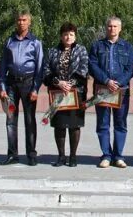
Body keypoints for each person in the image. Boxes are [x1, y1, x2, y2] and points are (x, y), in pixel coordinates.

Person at [88, 16, 133, 168]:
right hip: (103, 89)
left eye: (115, 26)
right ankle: (106, 155)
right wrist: (106, 81)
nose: (112, 29)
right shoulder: (97, 46)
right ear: (106, 28)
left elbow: (130, 69)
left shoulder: (127, 47)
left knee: (120, 124)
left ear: (120, 28)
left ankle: (119, 156)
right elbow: (92, 65)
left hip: (121, 90)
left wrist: (119, 82)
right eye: (109, 26)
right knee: (103, 123)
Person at [0, 10, 44, 166]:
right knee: (10, 119)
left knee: (30, 120)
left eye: (24, 20)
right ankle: (12, 154)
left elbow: (40, 68)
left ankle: (31, 154)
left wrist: (36, 89)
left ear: (29, 22)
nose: (21, 22)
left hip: (28, 83)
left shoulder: (35, 42)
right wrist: (2, 86)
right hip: (11, 85)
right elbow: (3, 65)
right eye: (18, 20)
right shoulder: (9, 41)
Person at [42, 22, 89, 167]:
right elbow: (46, 71)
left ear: (75, 36)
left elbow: (84, 69)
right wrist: (58, 82)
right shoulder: (52, 51)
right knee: (59, 125)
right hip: (58, 93)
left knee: (74, 126)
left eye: (71, 34)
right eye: (65, 34)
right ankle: (61, 156)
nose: (68, 37)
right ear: (61, 36)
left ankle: (73, 156)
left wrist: (70, 83)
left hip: (76, 93)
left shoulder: (81, 50)